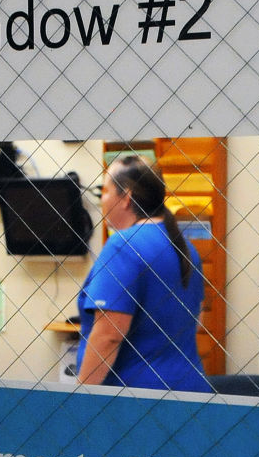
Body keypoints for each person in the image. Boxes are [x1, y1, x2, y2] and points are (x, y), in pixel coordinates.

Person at [76, 155, 211, 392]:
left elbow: (108, 335)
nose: (102, 200)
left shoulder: (122, 246)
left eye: (105, 191)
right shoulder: (186, 248)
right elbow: (198, 320)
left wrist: (80, 395)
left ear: (126, 198)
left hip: (137, 397)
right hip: (189, 389)